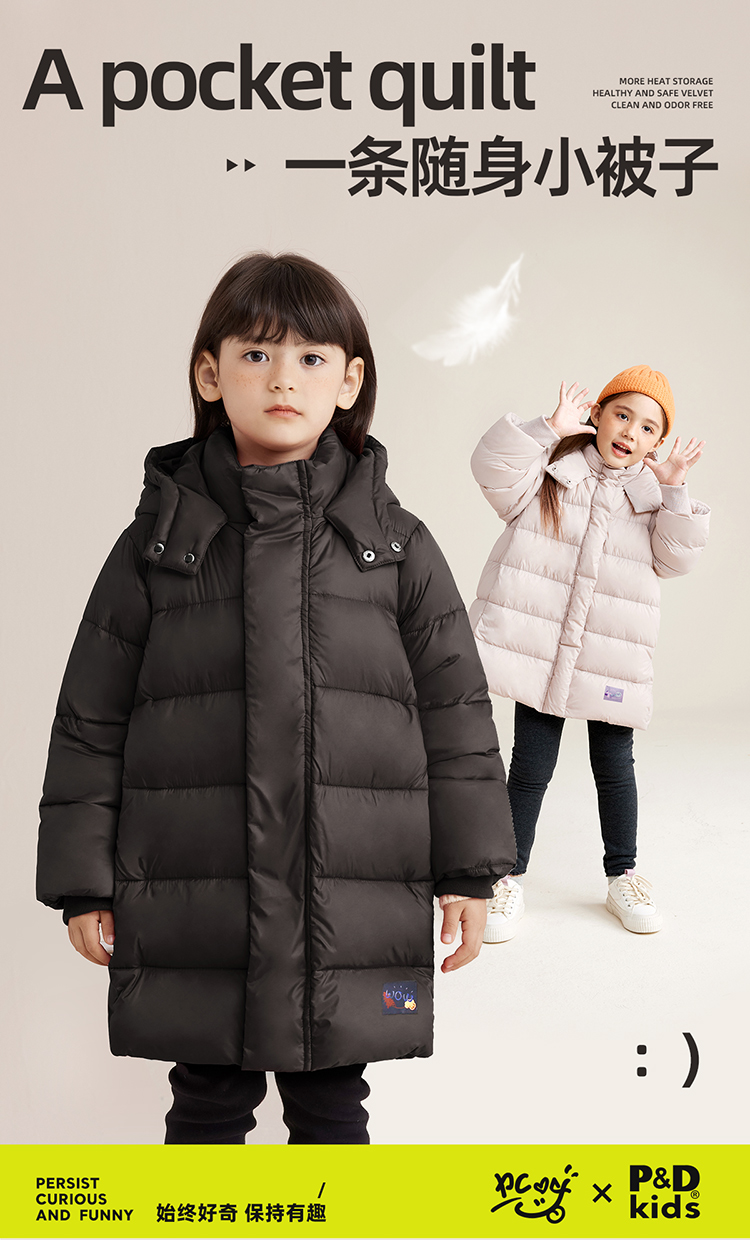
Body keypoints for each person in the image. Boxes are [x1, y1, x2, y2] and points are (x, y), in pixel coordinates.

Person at [36, 252, 515, 1144]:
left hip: (352, 902)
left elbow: (457, 717)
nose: (283, 379)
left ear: (349, 382)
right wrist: (82, 884)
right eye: (256, 355)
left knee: (333, 1111)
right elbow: (90, 722)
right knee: (207, 1106)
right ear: (209, 375)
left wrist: (468, 872)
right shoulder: (155, 550)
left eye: (310, 357)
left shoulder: (395, 549)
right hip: (196, 899)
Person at [469, 366, 709, 942]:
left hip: (610, 657)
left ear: (658, 441)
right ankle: (506, 876)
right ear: (597, 415)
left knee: (614, 766)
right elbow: (491, 470)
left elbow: (677, 560)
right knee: (530, 766)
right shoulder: (552, 474)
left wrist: (675, 490)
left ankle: (623, 875)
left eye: (648, 427)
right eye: (622, 415)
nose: (630, 432)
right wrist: (546, 429)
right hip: (546, 654)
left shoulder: (652, 500)